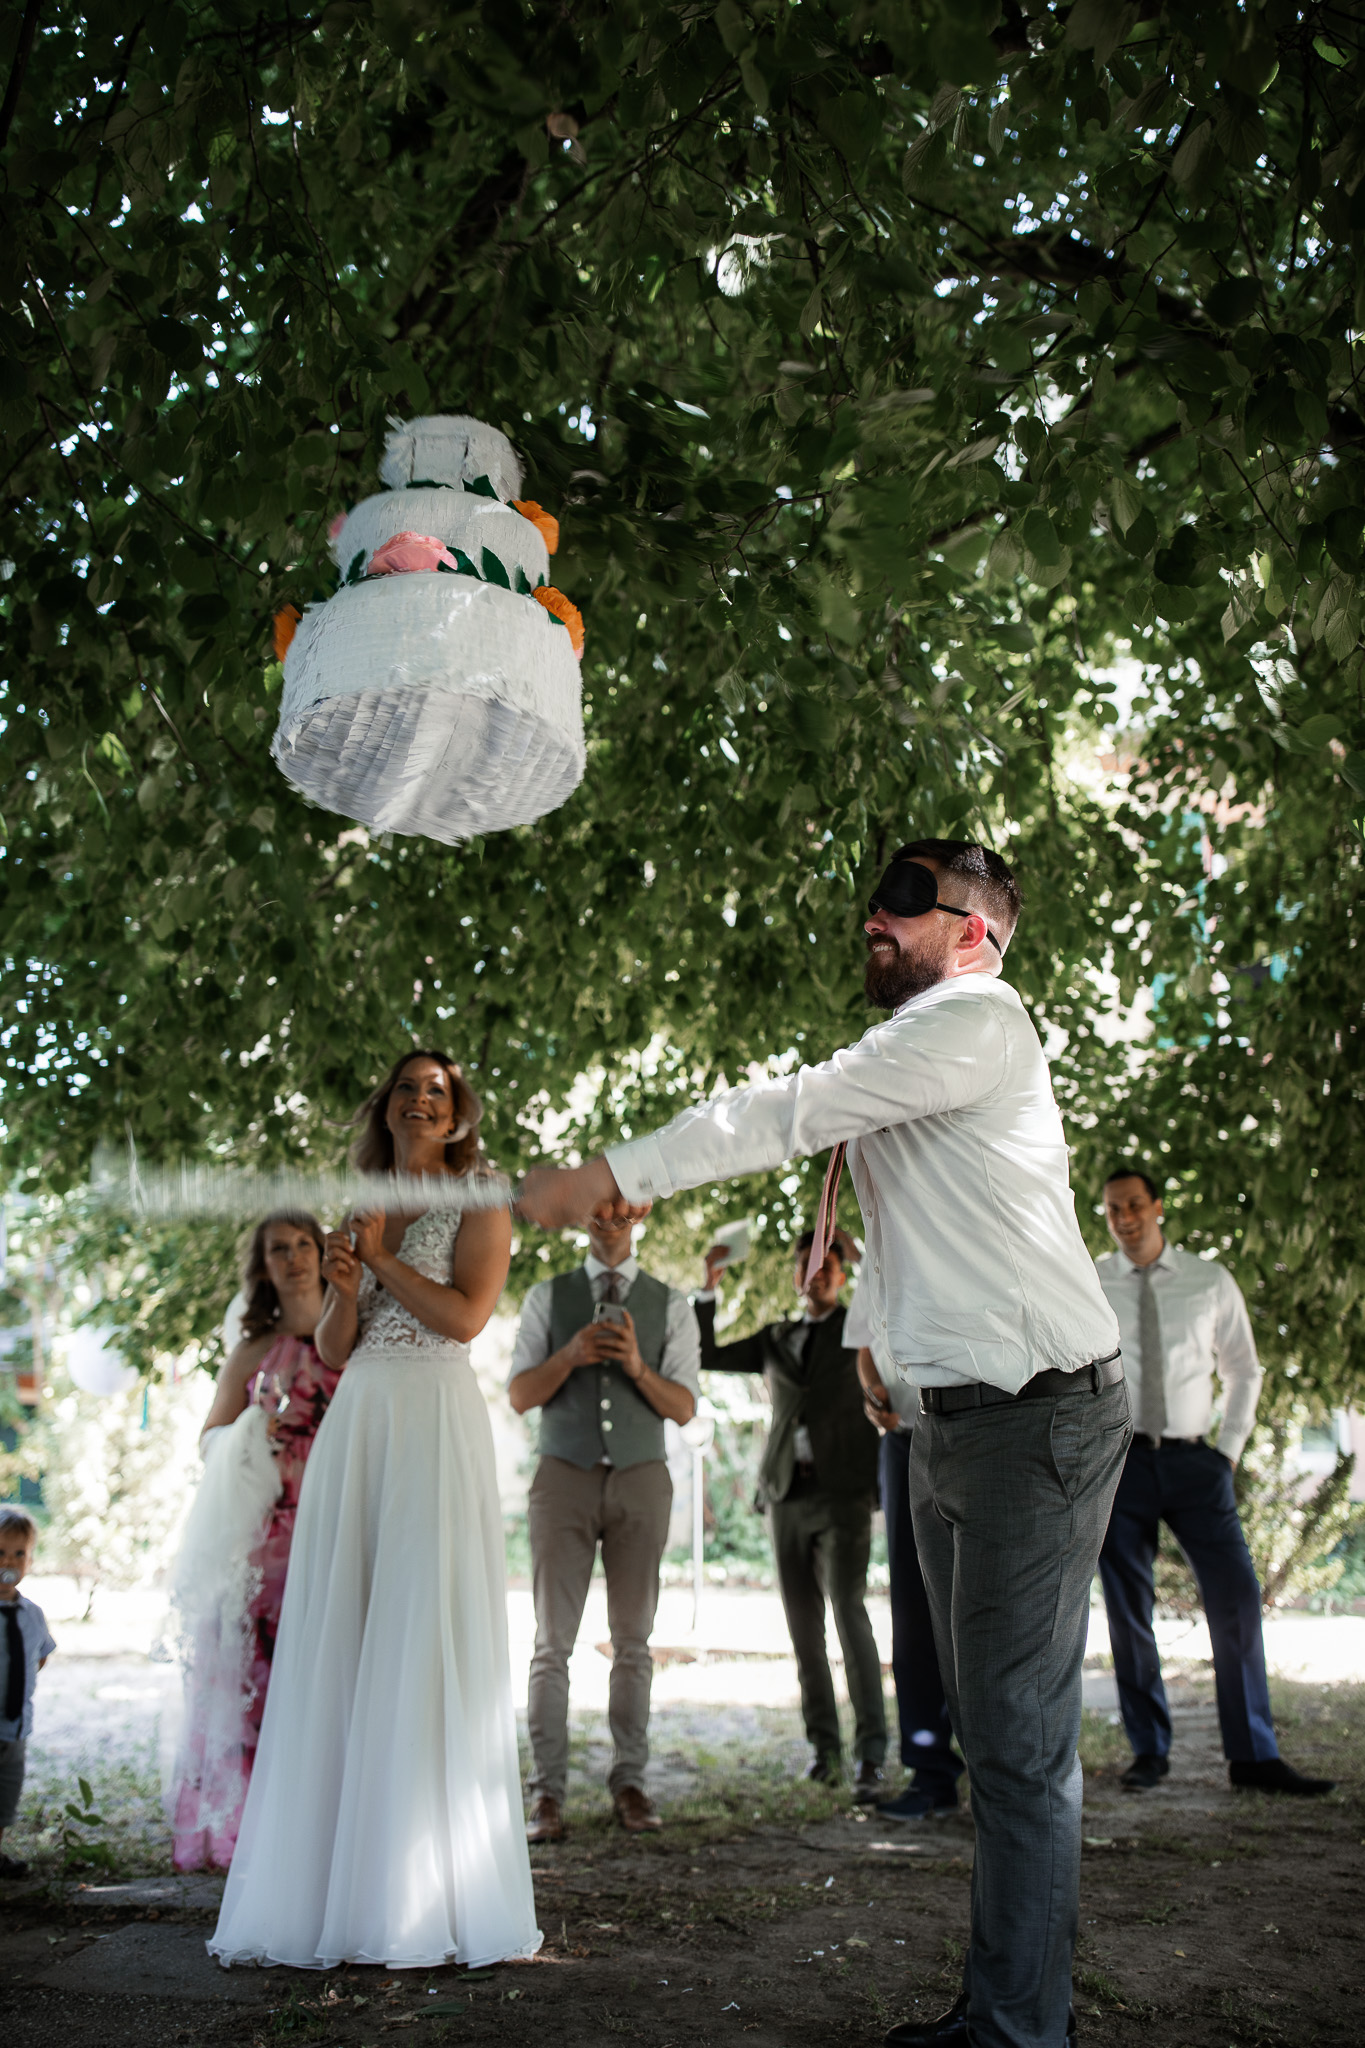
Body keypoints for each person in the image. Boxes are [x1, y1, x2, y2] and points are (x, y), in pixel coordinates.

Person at [518, 839, 1127, 2048]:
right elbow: (917, 1231)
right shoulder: (922, 1065)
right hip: (959, 1421)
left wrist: (615, 1166)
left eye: (910, 903)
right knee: (988, 1732)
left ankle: (1021, 2029)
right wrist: (888, 1360)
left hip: (1036, 1419)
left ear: (975, 934)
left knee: (1015, 1744)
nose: (876, 918)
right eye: (876, 898)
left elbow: (791, 1109)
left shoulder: (980, 1021)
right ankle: (1001, 2007)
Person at [210, 1051, 540, 1971]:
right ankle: (327, 1885)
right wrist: (349, 1288)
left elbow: (468, 1318)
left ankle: (421, 1887)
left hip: (433, 1415)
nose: (423, 1098)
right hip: (363, 1417)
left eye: (439, 1089)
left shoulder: (480, 1196)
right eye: (409, 1086)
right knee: (346, 1631)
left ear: (459, 1112)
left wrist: (385, 1257)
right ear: (388, 1107)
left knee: (417, 1625)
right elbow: (337, 1343)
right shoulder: (356, 1198)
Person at [1096, 1165, 1334, 1799]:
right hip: (1120, 1467)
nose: (1125, 1219)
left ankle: (1253, 1755)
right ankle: (1149, 1750)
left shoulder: (1208, 1281)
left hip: (1196, 1465)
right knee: (1128, 1611)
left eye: (1135, 1205)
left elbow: (1244, 1370)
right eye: (1114, 1210)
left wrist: (1226, 1453)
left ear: (1159, 1206)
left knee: (1236, 1599)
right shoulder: (1091, 1282)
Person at [509, 1203, 699, 1841]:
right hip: (563, 1475)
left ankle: (630, 1783)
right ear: (581, 1214)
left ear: (640, 1210)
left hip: (642, 1478)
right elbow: (519, 1395)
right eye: (596, 1201)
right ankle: (547, 1795)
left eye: (621, 1202)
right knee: (551, 1643)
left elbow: (684, 1407)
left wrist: (638, 1367)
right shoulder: (546, 1297)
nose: (608, 1214)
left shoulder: (672, 1305)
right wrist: (569, 1356)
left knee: (634, 1640)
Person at [168, 1212, 338, 1871]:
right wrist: (248, 1435)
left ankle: (323, 1821)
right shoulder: (253, 1350)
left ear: (323, 1255)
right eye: (278, 1249)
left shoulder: (352, 1342)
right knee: (264, 1677)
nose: (293, 1258)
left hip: (335, 1524)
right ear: (262, 1266)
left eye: (303, 1246)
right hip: (267, 1539)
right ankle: (258, 1832)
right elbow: (209, 1437)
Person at [697, 1226, 886, 1800]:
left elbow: (897, 1317)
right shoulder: (776, 1337)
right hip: (784, 1495)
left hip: (845, 1492)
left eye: (828, 1264)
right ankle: (823, 1751)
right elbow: (708, 1354)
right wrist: (707, 1289)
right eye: (807, 1265)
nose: (818, 1273)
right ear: (796, 1276)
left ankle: (871, 1755)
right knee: (803, 1629)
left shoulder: (863, 1328)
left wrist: (864, 1254)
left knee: (850, 1615)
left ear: (841, 1273)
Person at [845, 1292, 963, 1822]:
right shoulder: (875, 1256)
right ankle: (931, 1773)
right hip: (903, 1442)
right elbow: (864, 1346)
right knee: (912, 1613)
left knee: (984, 1609)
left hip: (973, 1436)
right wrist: (874, 1395)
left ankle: (1002, 1777)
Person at [0, 1506, 55, 1880]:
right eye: (1, 1553)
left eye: (19, 1554)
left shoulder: (32, 1613)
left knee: (5, 1795)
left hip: (15, 1724)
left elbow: (41, 1655)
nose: (9, 1562)